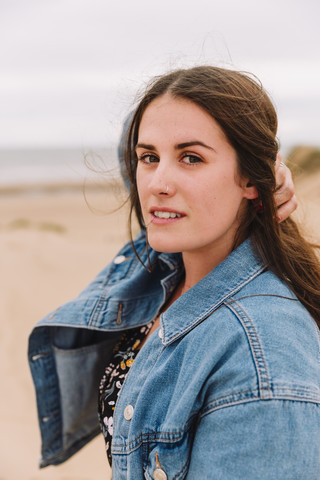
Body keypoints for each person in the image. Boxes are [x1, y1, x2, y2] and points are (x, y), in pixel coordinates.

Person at [28, 66, 320, 479]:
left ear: (251, 179)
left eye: (191, 158)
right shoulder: (172, 266)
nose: (157, 184)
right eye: (149, 157)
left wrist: (262, 167)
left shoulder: (264, 361)